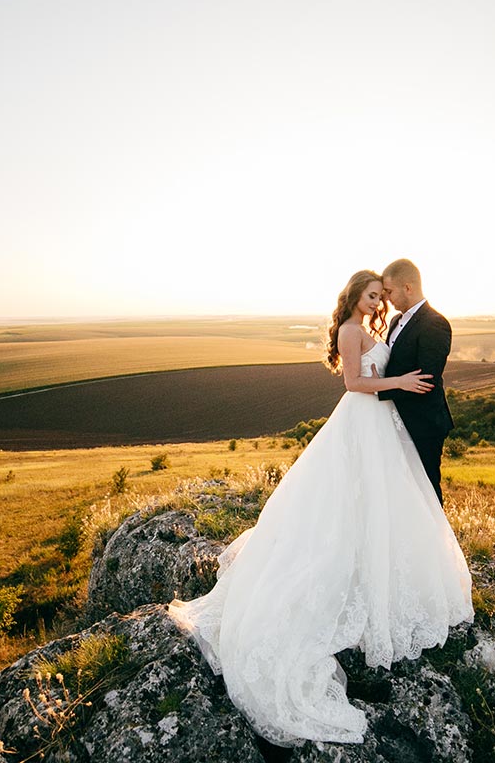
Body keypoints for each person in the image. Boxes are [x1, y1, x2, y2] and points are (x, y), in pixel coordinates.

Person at [167, 269, 474, 748]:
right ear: (355, 296)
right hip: (363, 419)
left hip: (382, 424)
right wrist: (399, 379)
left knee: (382, 502)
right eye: (373, 296)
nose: (379, 303)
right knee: (350, 502)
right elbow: (354, 383)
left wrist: (399, 380)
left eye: (382, 296)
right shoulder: (353, 331)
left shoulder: (376, 327)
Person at [378, 259, 455, 504]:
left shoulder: (435, 323)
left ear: (408, 287)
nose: (386, 298)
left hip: (424, 422)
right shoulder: (395, 321)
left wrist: (378, 390)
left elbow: (426, 380)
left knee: (426, 487)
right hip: (398, 419)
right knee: (402, 490)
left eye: (389, 292)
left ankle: (437, 542)